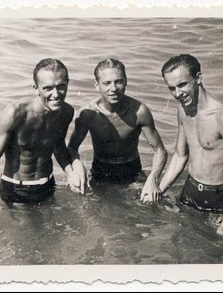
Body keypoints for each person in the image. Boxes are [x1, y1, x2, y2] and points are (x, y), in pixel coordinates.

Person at [0, 58, 85, 229]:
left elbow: (58, 146)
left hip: (48, 186)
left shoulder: (66, 112)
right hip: (16, 190)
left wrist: (70, 172)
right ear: (36, 88)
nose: (56, 94)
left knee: (52, 239)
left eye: (61, 86)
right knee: (24, 246)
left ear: (68, 83)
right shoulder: (15, 113)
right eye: (48, 88)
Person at [159, 54, 223, 237]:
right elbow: (180, 155)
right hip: (189, 192)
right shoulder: (182, 109)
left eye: (182, 85)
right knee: (180, 246)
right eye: (172, 88)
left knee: (215, 254)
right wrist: (158, 191)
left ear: (198, 78)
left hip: (218, 198)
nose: (177, 94)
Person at [68, 58, 168, 203]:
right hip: (100, 174)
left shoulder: (139, 111)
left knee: (148, 213)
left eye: (118, 82)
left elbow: (160, 150)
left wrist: (153, 177)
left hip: (132, 173)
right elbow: (71, 148)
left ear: (126, 81)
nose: (113, 89)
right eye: (107, 83)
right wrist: (77, 164)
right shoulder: (88, 113)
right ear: (97, 85)